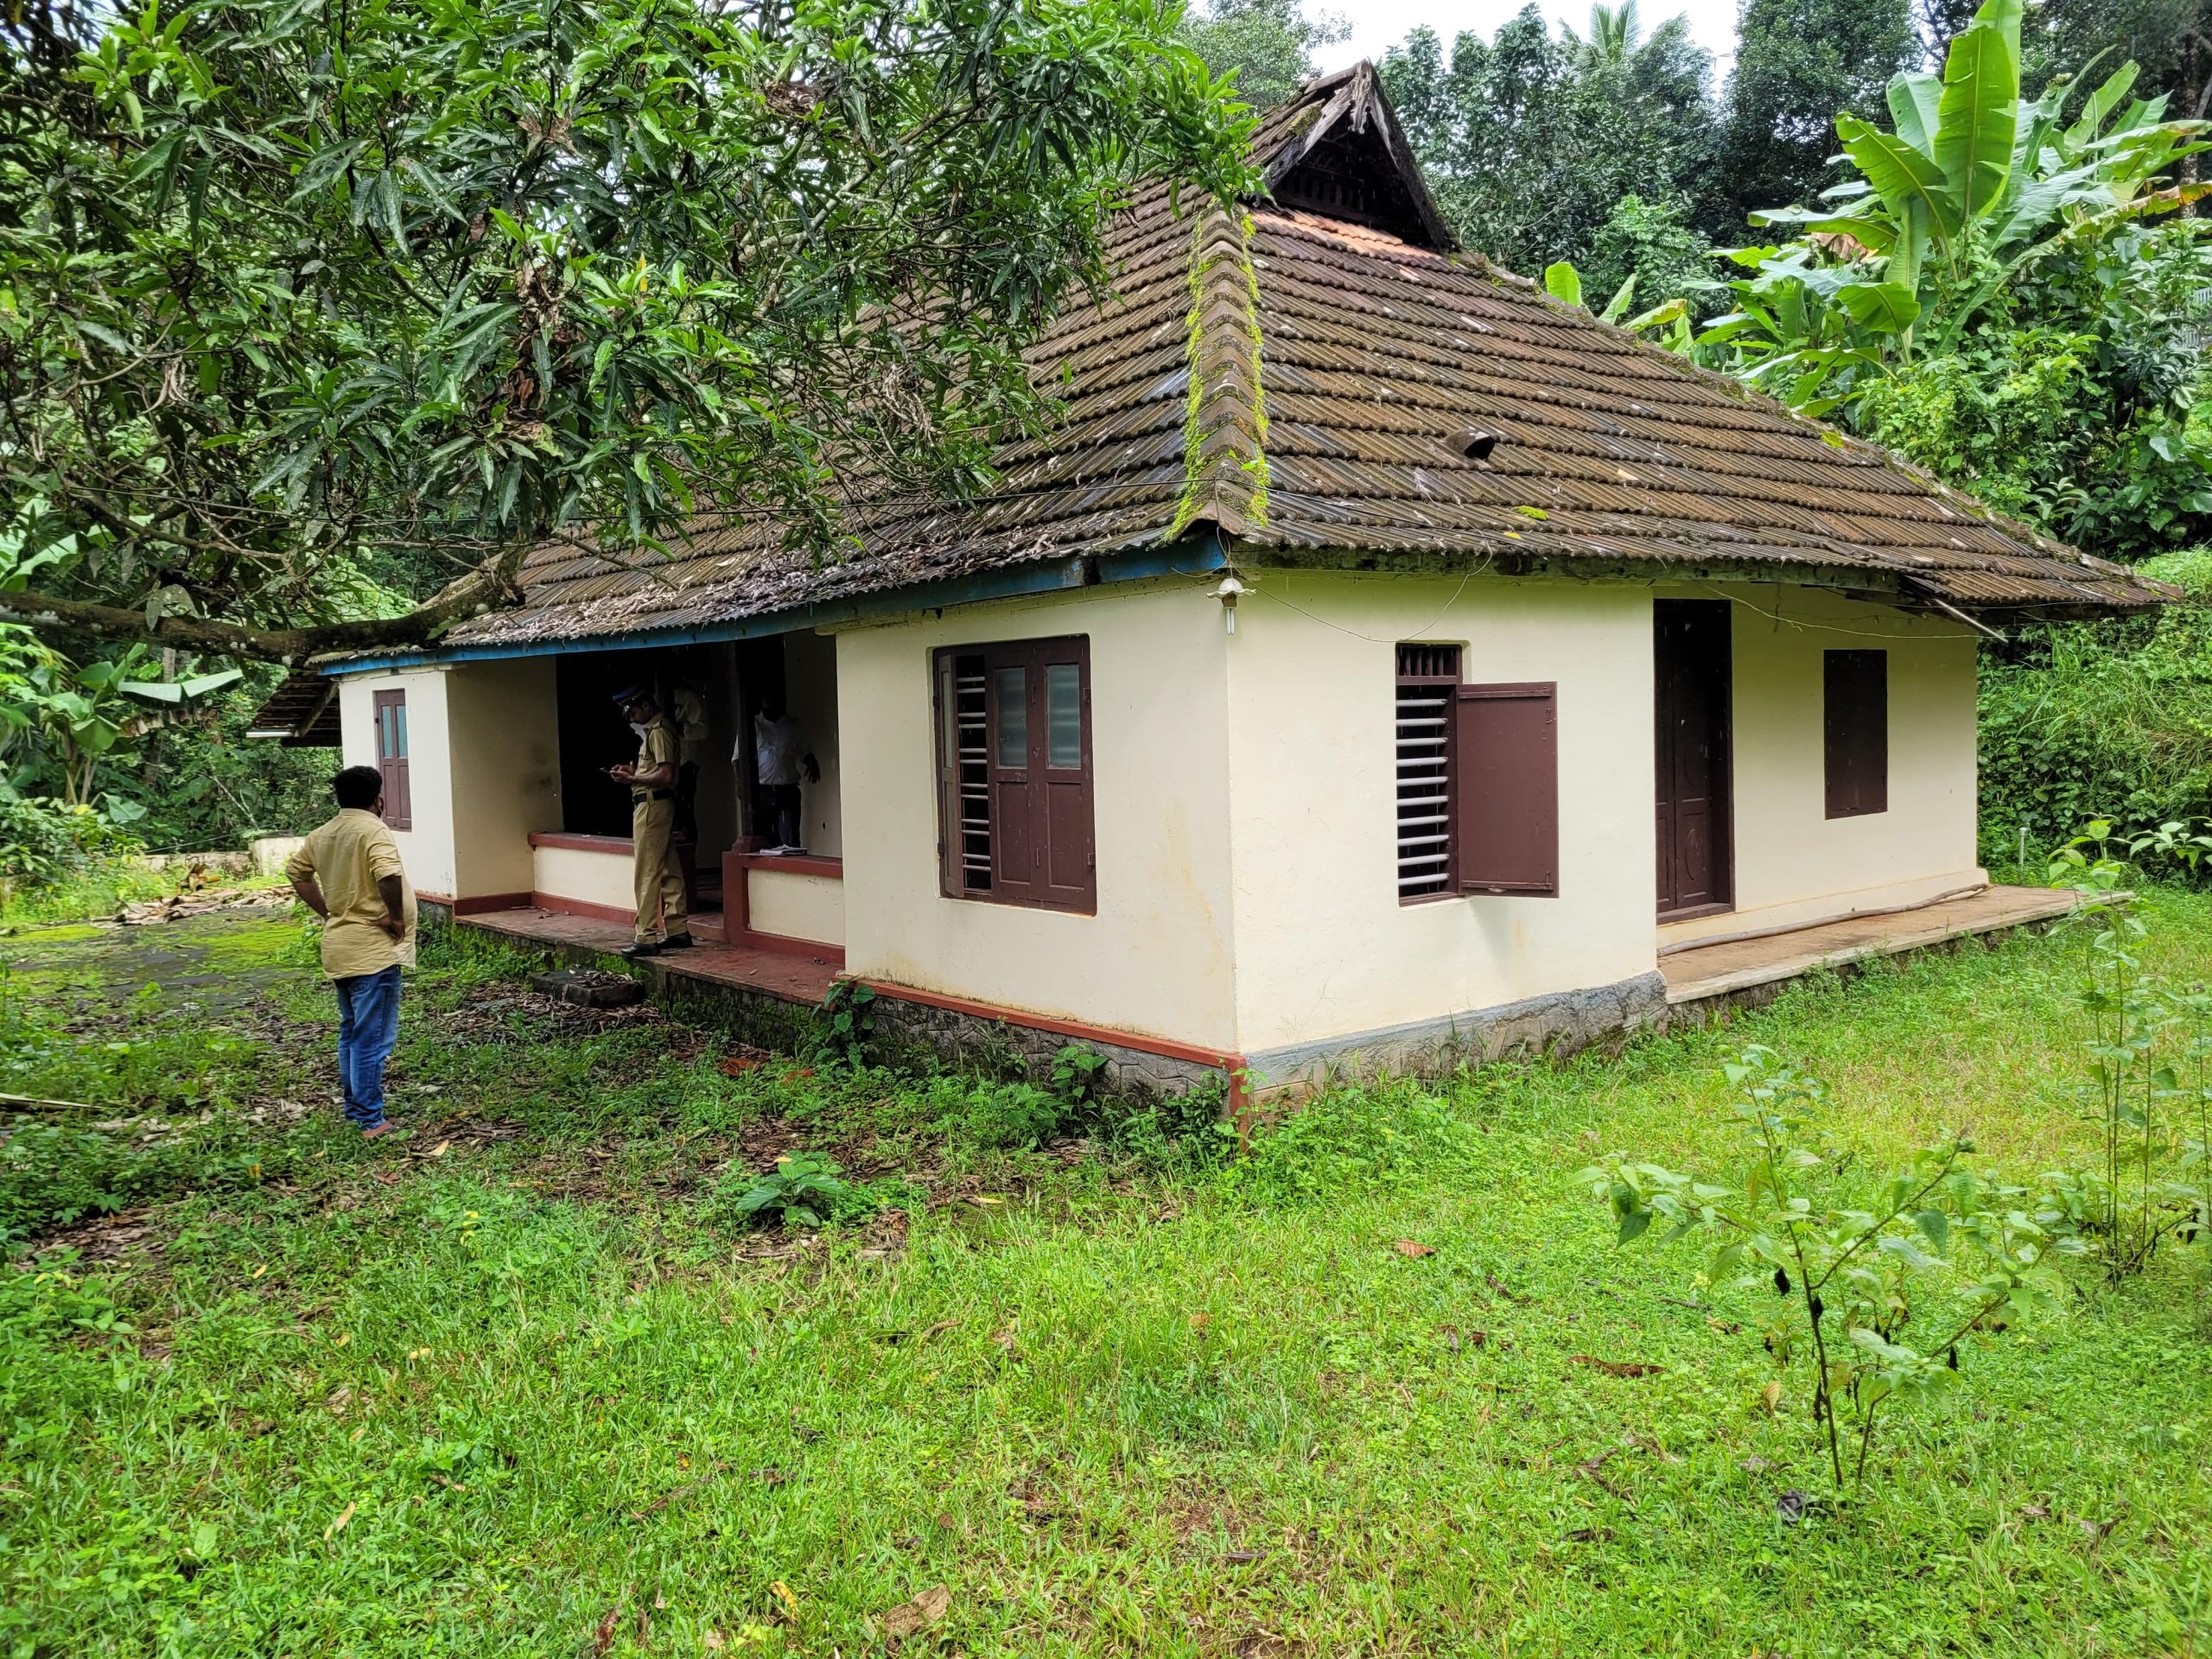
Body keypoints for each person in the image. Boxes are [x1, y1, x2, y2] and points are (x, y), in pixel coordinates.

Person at [285, 765, 417, 1139]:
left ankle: (356, 1109)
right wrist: (396, 918)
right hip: (371, 952)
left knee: (352, 1032)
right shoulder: (372, 830)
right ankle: (371, 1119)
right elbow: (388, 874)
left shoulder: (323, 834)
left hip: (340, 947)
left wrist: (328, 913)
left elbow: (297, 873)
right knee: (371, 1038)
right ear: (378, 799)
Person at [609, 683, 691, 957]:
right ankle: (677, 929)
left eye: (633, 711)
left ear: (645, 706)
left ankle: (645, 935)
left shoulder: (658, 731)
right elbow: (657, 770)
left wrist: (634, 779)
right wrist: (634, 773)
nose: (632, 717)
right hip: (659, 804)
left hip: (651, 806)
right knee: (668, 867)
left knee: (646, 870)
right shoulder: (658, 730)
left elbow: (666, 775)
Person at [747, 691, 819, 852]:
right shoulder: (752, 725)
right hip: (763, 790)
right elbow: (738, 758)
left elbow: (804, 750)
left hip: (787, 790)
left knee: (790, 841)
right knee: (764, 841)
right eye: (766, 699)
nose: (769, 703)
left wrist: (811, 762)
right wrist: (741, 786)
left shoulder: (792, 726)